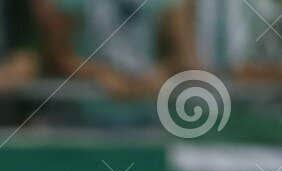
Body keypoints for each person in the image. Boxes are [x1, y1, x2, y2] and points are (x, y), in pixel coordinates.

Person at [33, 0, 198, 104]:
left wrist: (159, 74)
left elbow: (183, 58)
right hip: (86, 116)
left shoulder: (169, 5)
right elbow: (57, 55)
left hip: (149, 112)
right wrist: (99, 74)